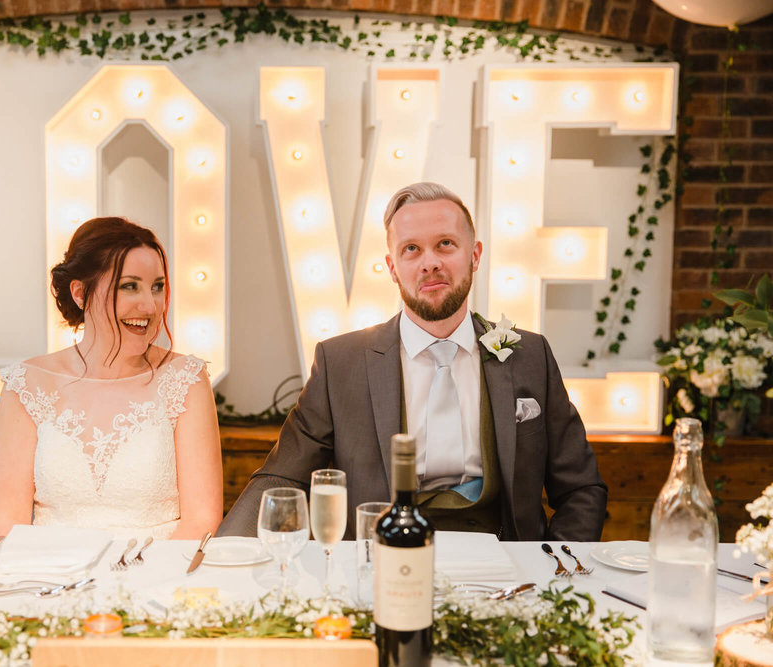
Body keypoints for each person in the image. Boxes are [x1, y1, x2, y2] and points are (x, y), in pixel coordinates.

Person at [219, 182, 606, 541]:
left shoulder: (530, 356)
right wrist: (222, 558)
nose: (430, 263)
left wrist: (554, 568)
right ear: (392, 268)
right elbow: (280, 479)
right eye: (411, 249)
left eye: (445, 244)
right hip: (380, 563)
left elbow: (582, 489)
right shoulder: (340, 363)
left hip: (508, 567)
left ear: (474, 256)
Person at [0, 217, 223, 539]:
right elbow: (6, 524)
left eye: (157, 286)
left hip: (159, 575)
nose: (150, 305)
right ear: (80, 293)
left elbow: (202, 520)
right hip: (50, 577)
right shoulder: (26, 384)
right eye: (129, 286)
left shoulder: (186, 380)